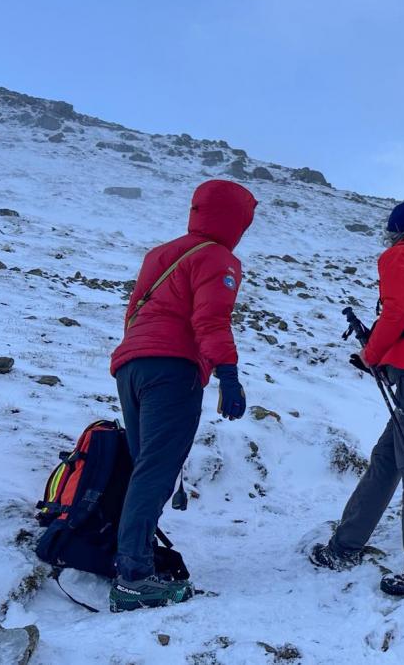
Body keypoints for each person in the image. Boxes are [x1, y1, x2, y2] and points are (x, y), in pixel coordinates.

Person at [108, 179, 256, 612]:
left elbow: (135, 309)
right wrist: (228, 375)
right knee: (156, 470)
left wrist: (138, 358)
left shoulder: (161, 253)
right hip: (172, 370)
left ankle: (134, 560)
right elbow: (210, 320)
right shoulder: (218, 258)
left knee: (144, 467)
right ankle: (133, 577)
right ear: (234, 221)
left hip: (132, 364)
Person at [310, 202, 404, 597]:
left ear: (395, 229)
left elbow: (397, 312)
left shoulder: (401, 255)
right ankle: (345, 545)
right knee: (387, 460)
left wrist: (370, 354)